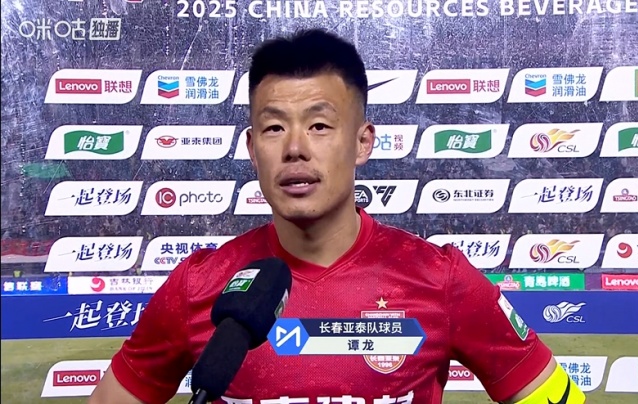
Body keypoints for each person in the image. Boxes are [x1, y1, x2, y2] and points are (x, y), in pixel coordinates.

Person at [89, 28, 585, 404]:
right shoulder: (198, 284)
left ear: (362, 142)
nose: (296, 148)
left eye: (320, 125)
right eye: (274, 128)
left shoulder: (442, 278)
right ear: (252, 149)